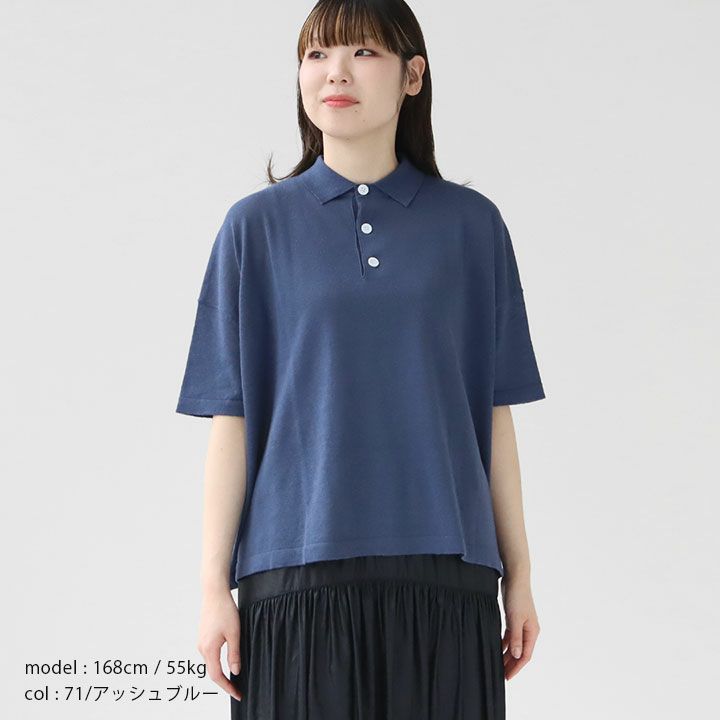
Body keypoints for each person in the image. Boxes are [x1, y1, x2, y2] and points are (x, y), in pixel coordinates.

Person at [175, 1, 546, 718]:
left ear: (413, 76)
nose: (334, 73)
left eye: (363, 53)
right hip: (293, 572)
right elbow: (233, 419)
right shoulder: (254, 228)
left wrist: (521, 576)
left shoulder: (472, 227)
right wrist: (213, 588)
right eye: (316, 55)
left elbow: (493, 414)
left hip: (448, 573)